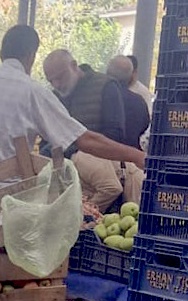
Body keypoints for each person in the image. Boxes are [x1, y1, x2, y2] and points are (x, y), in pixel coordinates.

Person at [0, 25, 144, 224]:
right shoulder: (32, 92)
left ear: (1, 53)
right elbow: (86, 140)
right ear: (31, 56)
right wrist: (136, 156)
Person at [42, 49, 128, 213]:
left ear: (74, 66)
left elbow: (115, 135)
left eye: (60, 77)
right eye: (51, 80)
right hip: (67, 184)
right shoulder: (54, 97)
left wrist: (79, 148)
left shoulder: (105, 86)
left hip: (100, 183)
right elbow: (46, 139)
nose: (56, 84)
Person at [105, 56, 151, 149]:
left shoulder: (100, 95)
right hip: (131, 153)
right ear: (131, 76)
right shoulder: (139, 101)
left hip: (102, 151)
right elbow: (145, 125)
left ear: (107, 73)